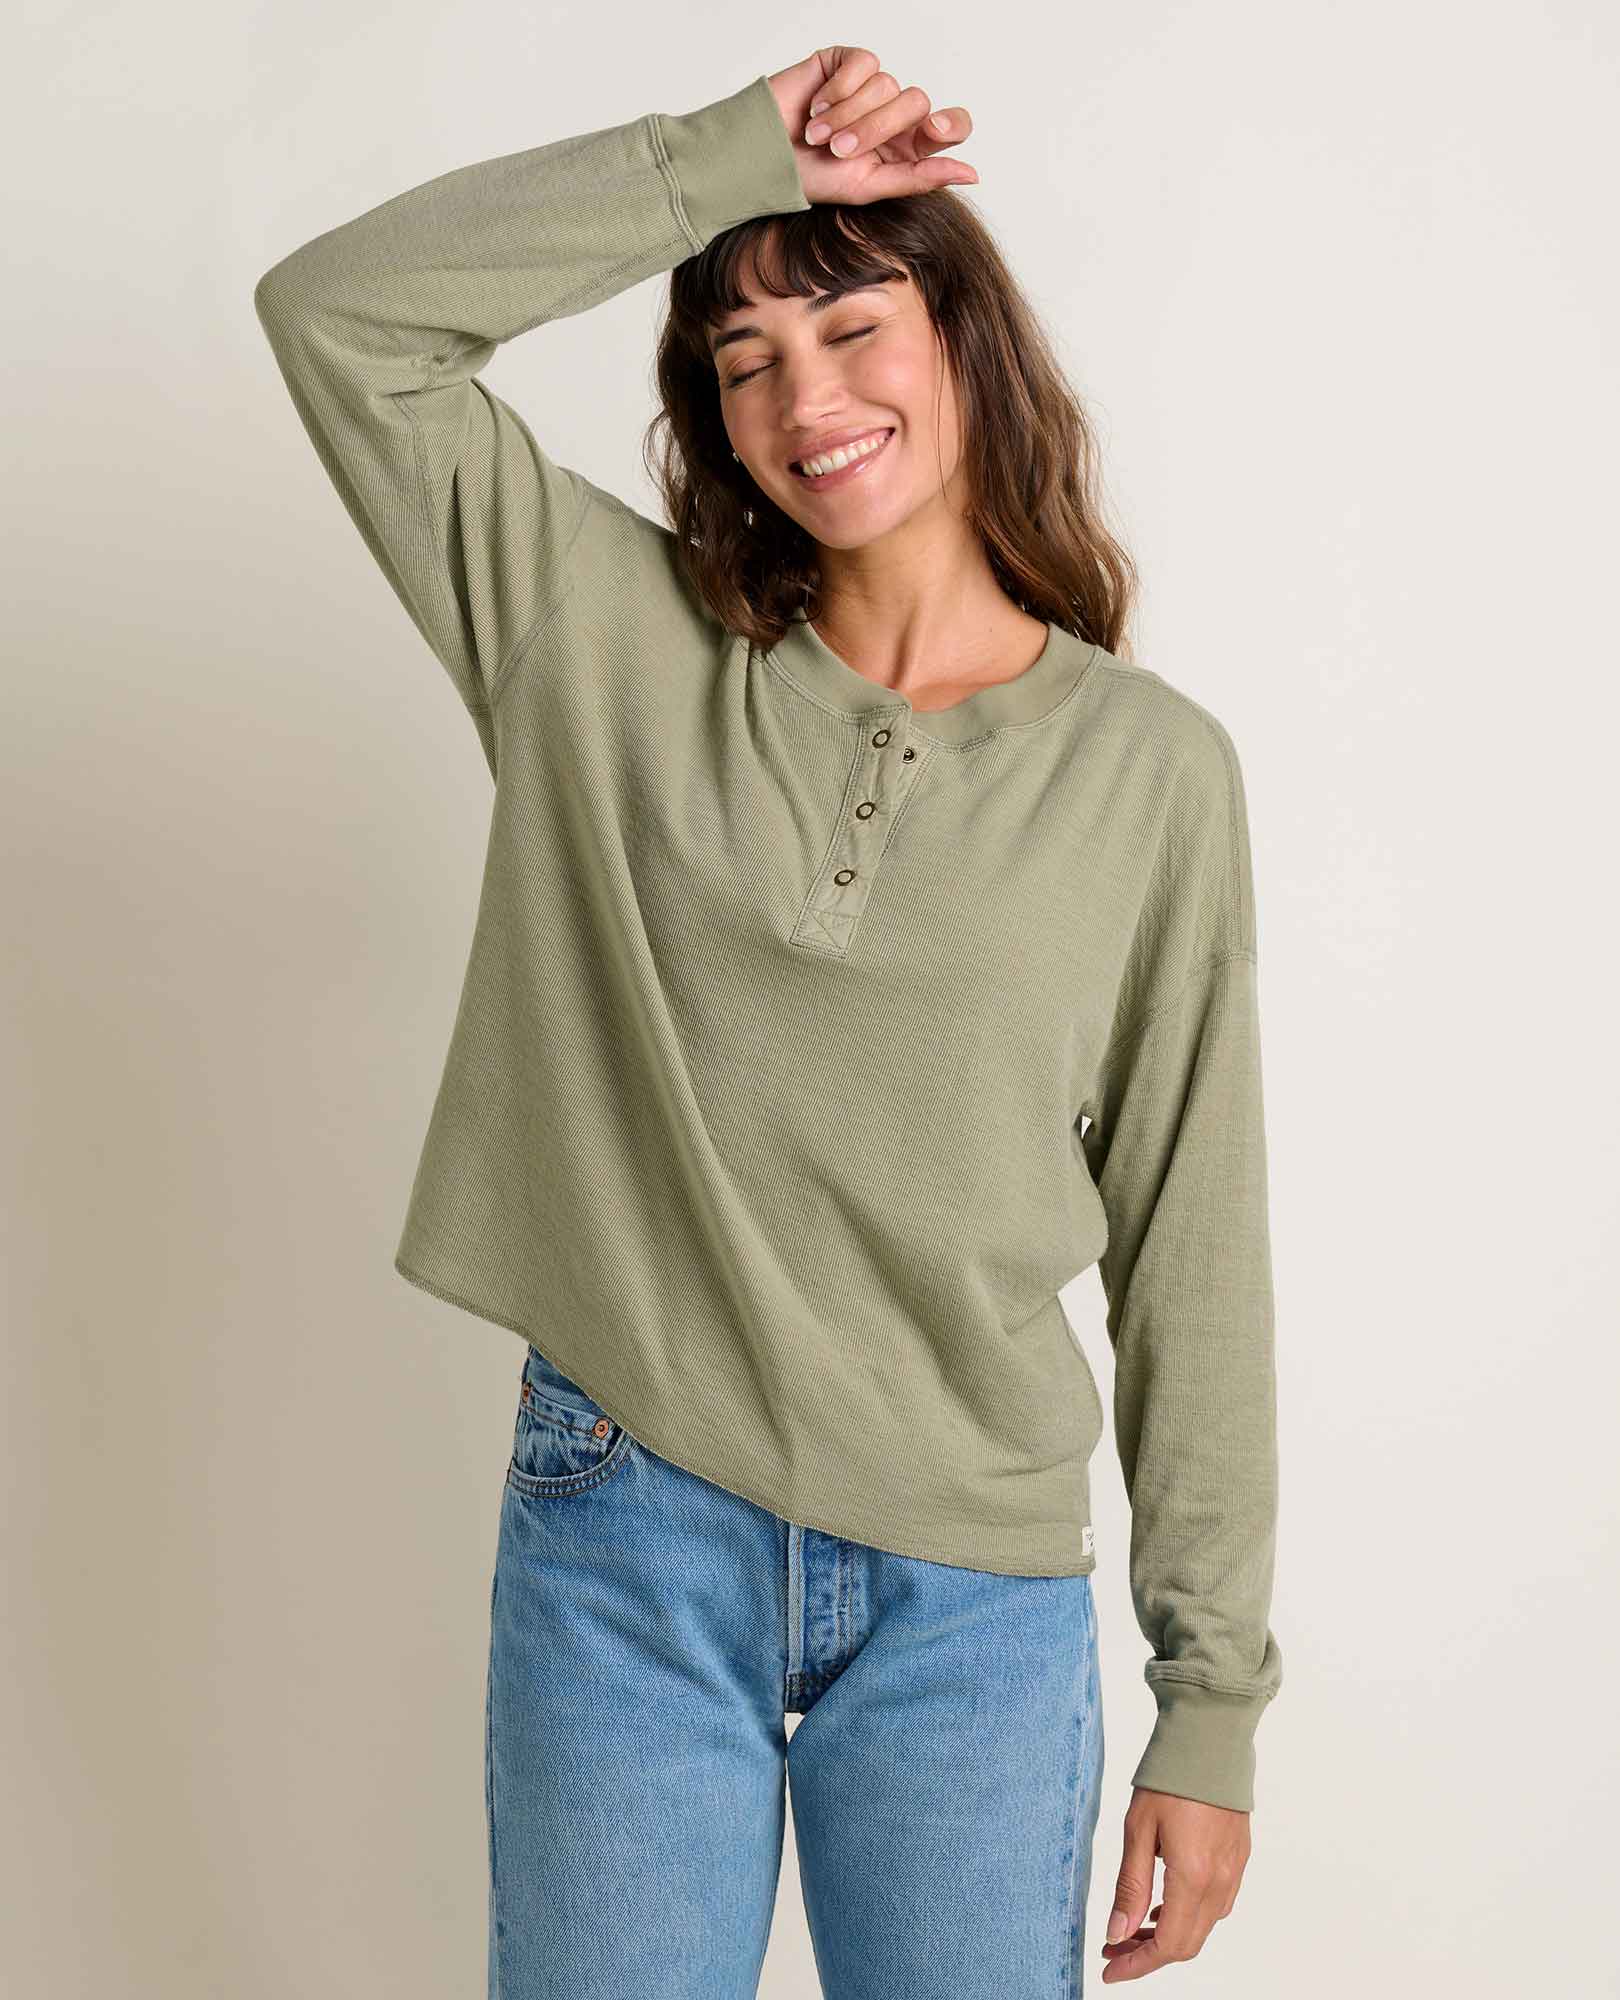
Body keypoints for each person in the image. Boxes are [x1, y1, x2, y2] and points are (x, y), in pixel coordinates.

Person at [253, 42, 1282, 1995]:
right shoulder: (593, 639)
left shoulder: (1152, 774)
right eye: (744, 362)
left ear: (965, 343)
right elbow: (340, 320)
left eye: (851, 323)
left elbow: (1193, 1245)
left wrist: (1210, 1700)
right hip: (625, 1532)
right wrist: (728, 162)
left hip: (973, 1599)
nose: (806, 398)